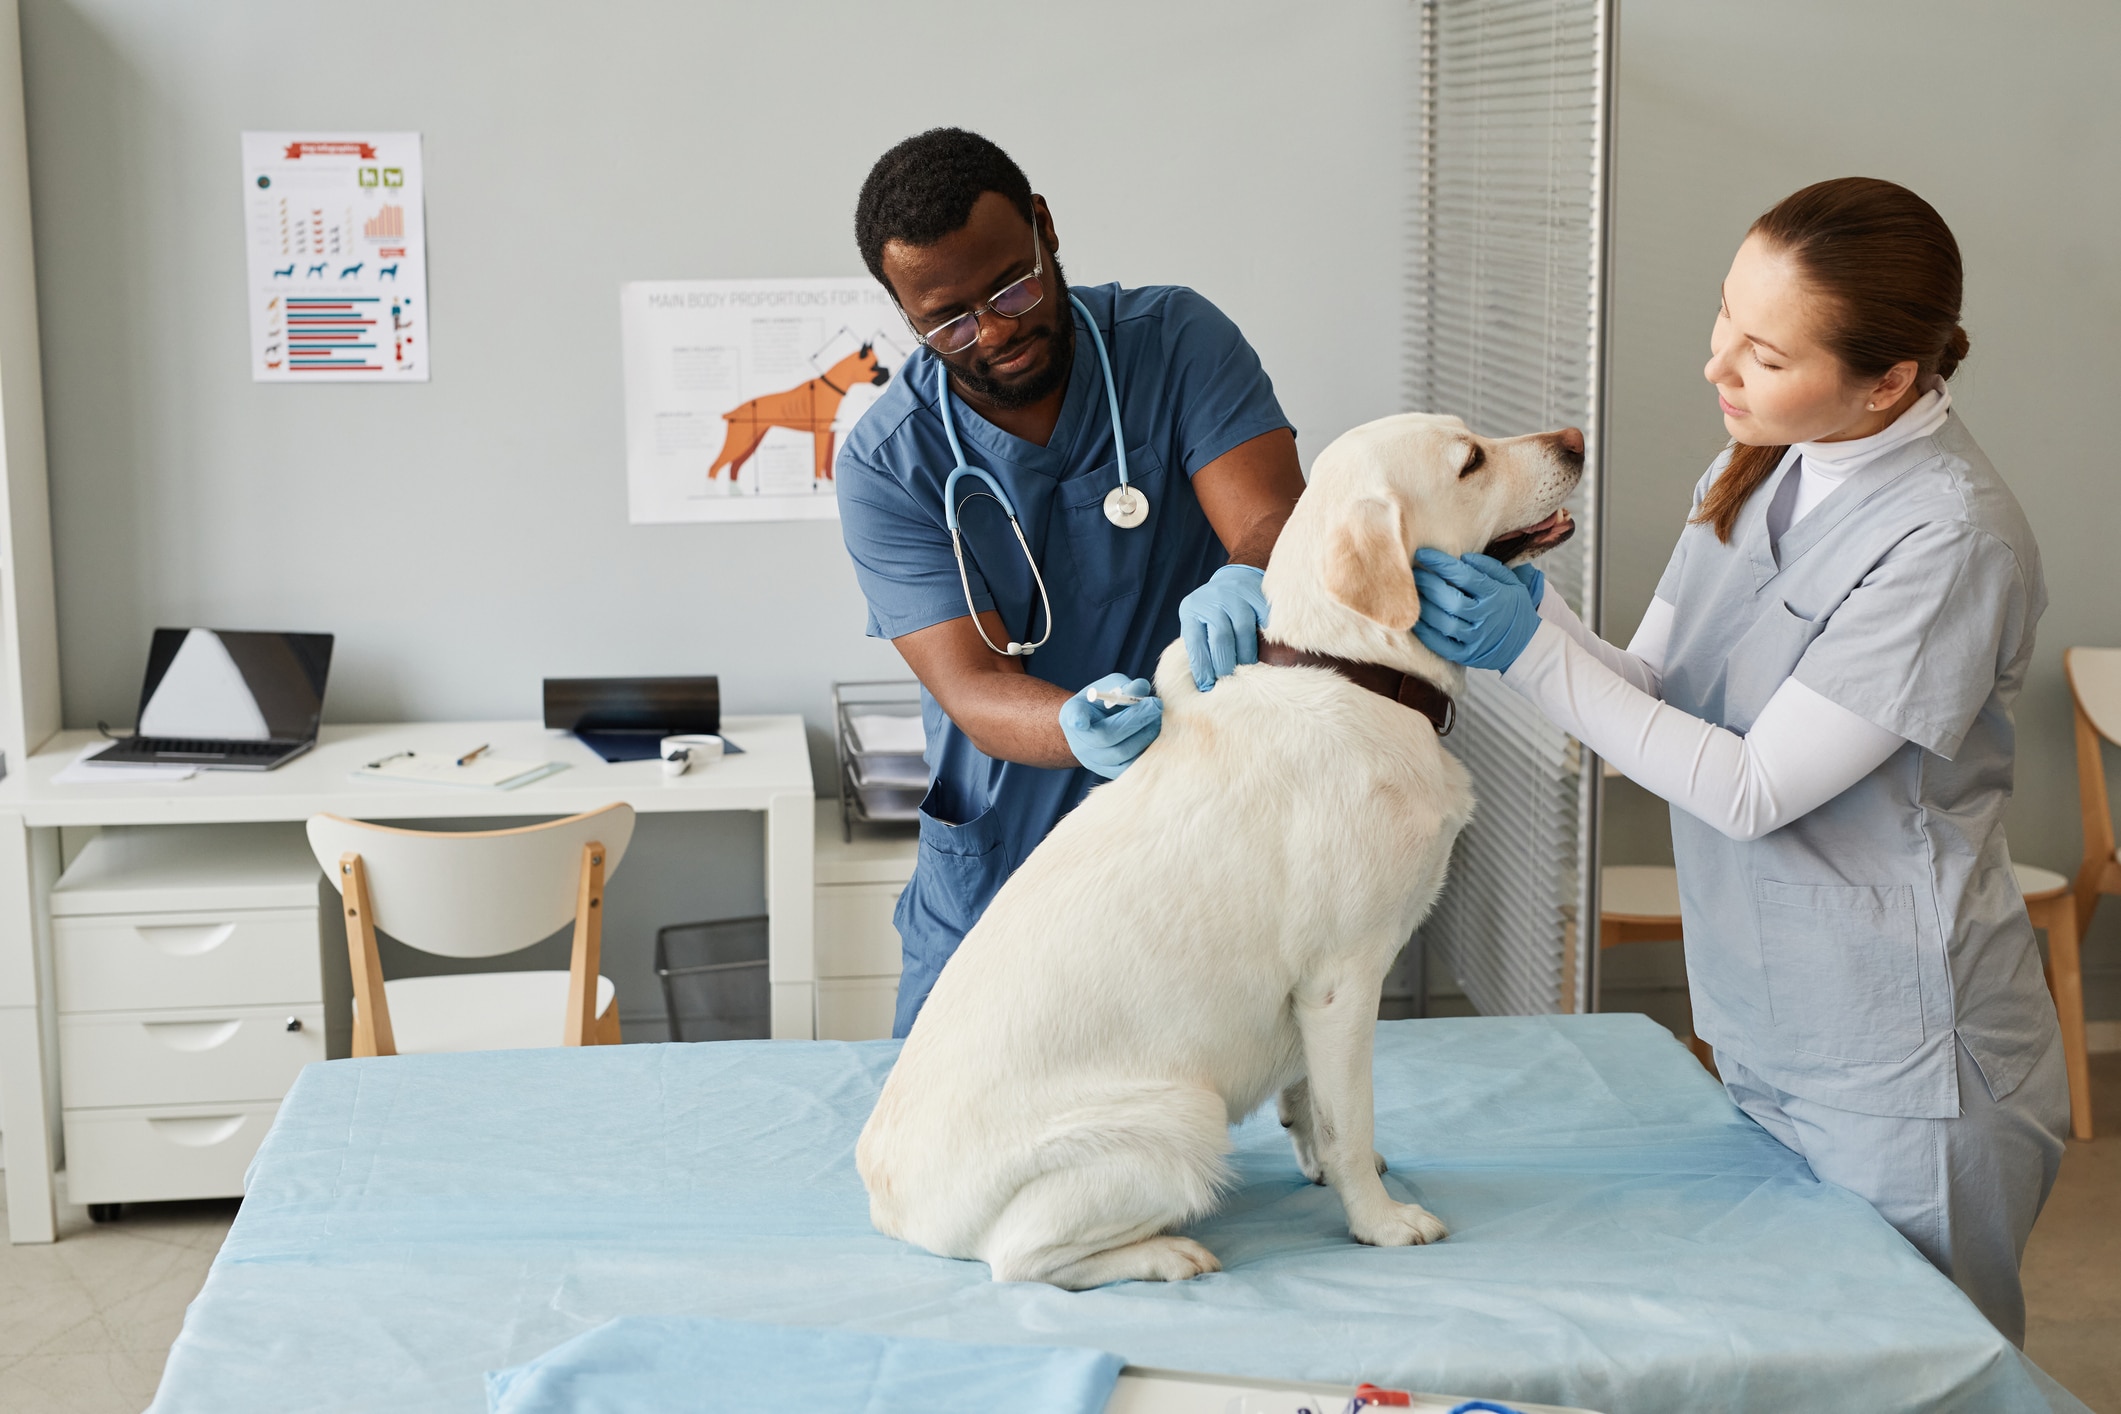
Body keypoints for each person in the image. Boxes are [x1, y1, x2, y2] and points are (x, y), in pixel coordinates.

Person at [1405, 178, 2068, 1344]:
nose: (1718, 367)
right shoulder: (1760, 459)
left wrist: (1522, 654)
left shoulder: (1949, 539)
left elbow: (1751, 787)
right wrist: (1532, 609)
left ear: (1892, 380)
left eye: (1762, 353)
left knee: (1918, 1365)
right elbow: (1652, 692)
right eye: (1725, 317)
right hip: (1766, 1027)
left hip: (1904, 1062)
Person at [837, 129, 1306, 1035]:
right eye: (951, 321)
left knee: (1196, 1115)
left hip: (1198, 828)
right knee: (950, 1127)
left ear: (1045, 228)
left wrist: (1248, 574)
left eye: (1012, 285)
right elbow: (972, 686)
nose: (998, 330)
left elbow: (1267, 519)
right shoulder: (890, 463)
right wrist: (1073, 727)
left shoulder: (1173, 344)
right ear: (906, 316)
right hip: (1006, 853)